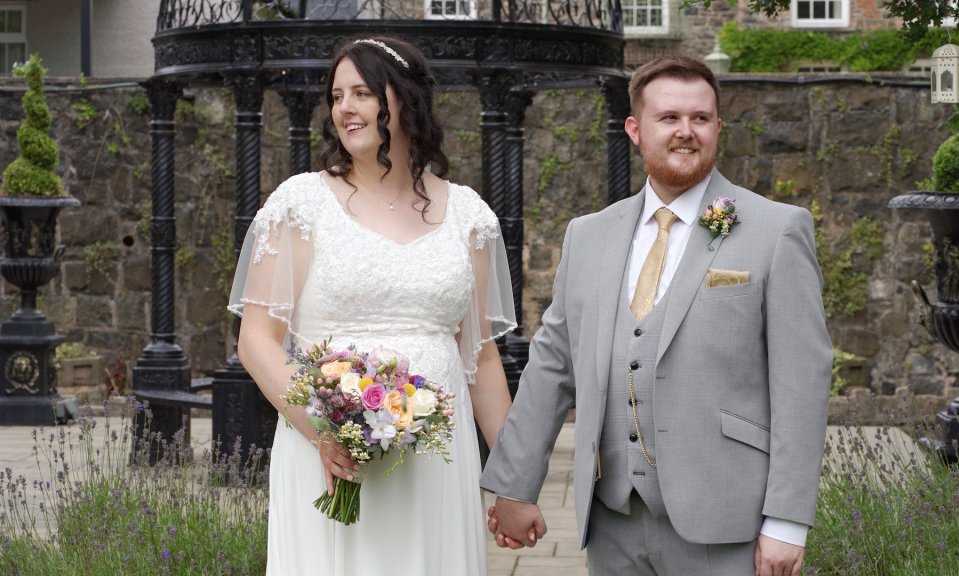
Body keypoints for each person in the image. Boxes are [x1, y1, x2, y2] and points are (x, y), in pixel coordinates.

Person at [481, 56, 832, 576]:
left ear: (717, 127)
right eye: (669, 118)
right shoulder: (589, 235)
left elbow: (802, 380)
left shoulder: (776, 230)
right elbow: (553, 367)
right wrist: (514, 485)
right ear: (635, 130)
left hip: (726, 521)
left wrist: (786, 520)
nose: (686, 132)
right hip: (612, 518)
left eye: (701, 118)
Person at [229, 36, 517, 576]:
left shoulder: (469, 217)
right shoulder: (300, 205)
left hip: (437, 458)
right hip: (330, 455)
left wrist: (514, 480)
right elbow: (256, 341)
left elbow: (481, 362)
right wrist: (325, 430)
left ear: (405, 100)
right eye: (337, 96)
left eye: (362, 92)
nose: (345, 108)